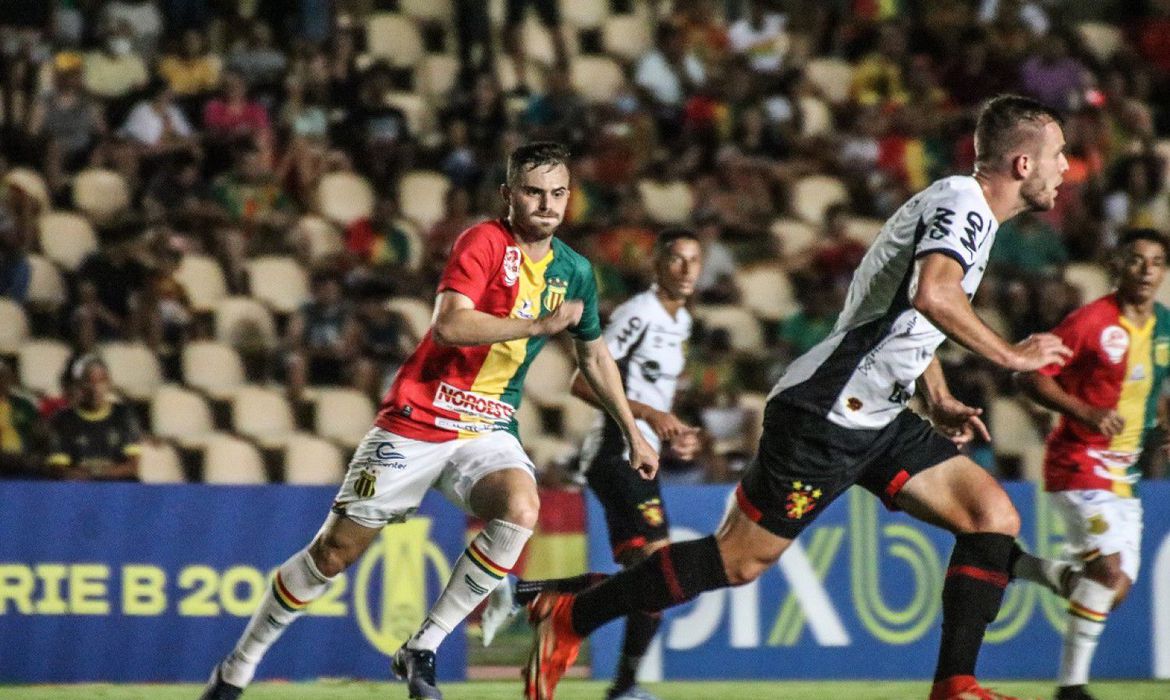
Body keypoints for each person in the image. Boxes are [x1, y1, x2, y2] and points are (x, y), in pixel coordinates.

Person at [519, 95, 1077, 700]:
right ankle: (572, 614)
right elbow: (933, 296)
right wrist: (1012, 355)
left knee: (991, 516)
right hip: (828, 412)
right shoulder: (964, 203)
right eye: (1059, 154)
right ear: (1023, 163)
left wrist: (935, 392)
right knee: (738, 561)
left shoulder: (967, 212)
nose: (1067, 167)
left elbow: (909, 316)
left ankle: (956, 685)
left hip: (879, 413)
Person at [200, 142, 658, 700]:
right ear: (508, 195)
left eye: (557, 193)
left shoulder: (575, 271)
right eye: (534, 192)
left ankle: (423, 646)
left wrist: (633, 432)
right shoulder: (482, 241)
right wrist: (537, 326)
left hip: (489, 424)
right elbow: (450, 326)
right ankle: (238, 667)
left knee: (521, 507)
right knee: (333, 554)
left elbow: (596, 358)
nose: (547, 204)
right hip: (419, 416)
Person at [482, 230, 704, 700]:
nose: (686, 270)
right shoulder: (638, 314)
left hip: (642, 457)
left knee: (648, 579)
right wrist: (649, 416)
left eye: (694, 260)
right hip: (614, 453)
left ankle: (526, 594)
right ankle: (622, 686)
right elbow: (583, 382)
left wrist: (672, 432)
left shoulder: (682, 322)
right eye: (676, 259)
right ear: (657, 265)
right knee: (661, 574)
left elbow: (647, 391)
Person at [1016, 228, 1170, 700]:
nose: (1146, 271)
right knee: (1105, 571)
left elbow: (1154, 392)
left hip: (1125, 474)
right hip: (1078, 461)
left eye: (1156, 262)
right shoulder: (1090, 321)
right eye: (1136, 260)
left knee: (1112, 589)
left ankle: (1018, 564)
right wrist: (1084, 412)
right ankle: (1071, 688)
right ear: (1117, 265)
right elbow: (1030, 375)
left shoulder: (1164, 324)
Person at [46, 355, 143, 482]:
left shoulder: (124, 415)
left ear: (109, 384)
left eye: (101, 381)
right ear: (79, 385)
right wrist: (94, 477)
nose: (95, 388)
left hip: (117, 489)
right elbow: (59, 470)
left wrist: (98, 474)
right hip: (78, 489)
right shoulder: (63, 420)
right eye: (89, 382)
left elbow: (133, 466)